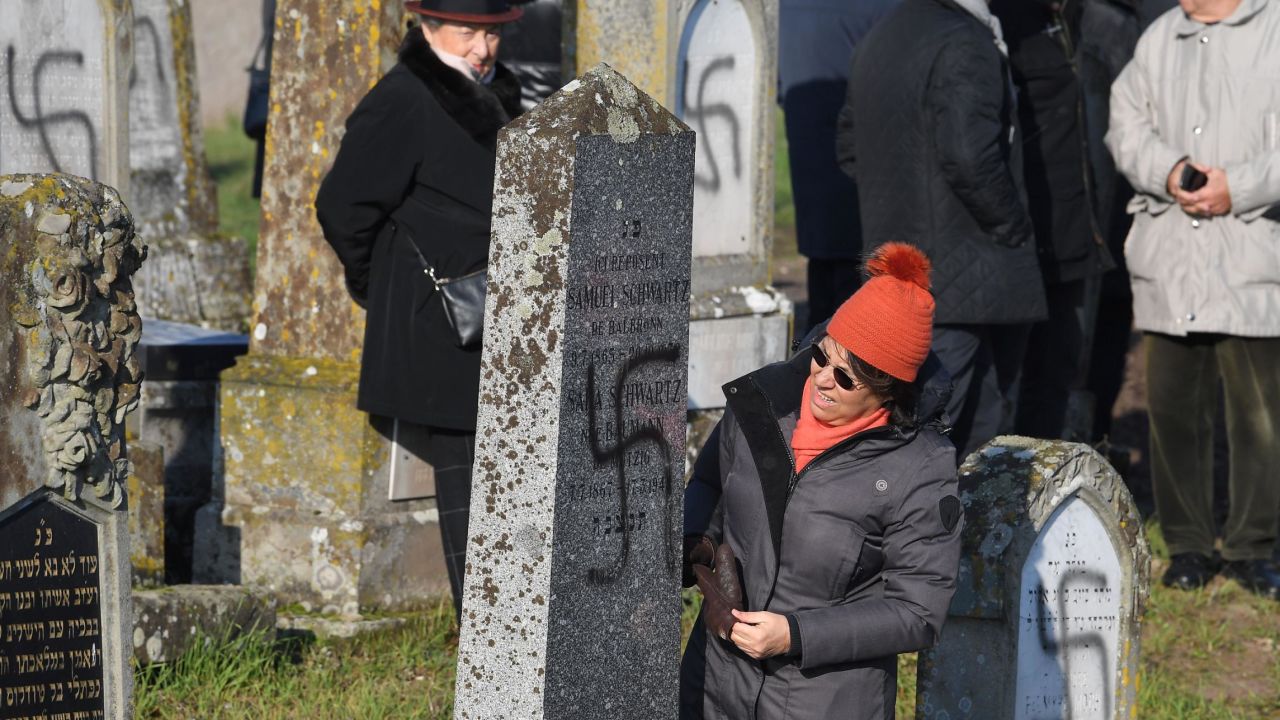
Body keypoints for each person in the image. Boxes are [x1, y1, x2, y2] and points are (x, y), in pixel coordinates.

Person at [680, 243, 963, 720]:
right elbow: (710, 479)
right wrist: (693, 539)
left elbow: (918, 611)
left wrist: (795, 634)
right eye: (821, 355)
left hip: (823, 700)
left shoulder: (921, 468)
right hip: (714, 685)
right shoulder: (765, 402)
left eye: (847, 378)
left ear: (887, 391)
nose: (823, 380)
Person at [314, 0, 524, 617]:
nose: (483, 49)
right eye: (468, 33)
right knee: (467, 479)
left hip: (502, 317)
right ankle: (484, 636)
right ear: (428, 28)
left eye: (492, 33)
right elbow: (343, 206)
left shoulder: (498, 91)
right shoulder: (403, 97)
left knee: (504, 476)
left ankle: (511, 624)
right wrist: (383, 288)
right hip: (443, 323)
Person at [1106, 0, 1280, 598]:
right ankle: (1187, 546)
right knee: (1175, 414)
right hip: (1172, 256)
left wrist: (1243, 187)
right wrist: (1169, 169)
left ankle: (1253, 547)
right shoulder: (1160, 37)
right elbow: (1125, 124)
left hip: (1251, 255)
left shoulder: (1275, 29)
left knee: (1260, 417)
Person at [837, 0, 1047, 462]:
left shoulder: (880, 34)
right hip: (968, 274)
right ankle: (953, 536)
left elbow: (850, 149)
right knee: (963, 443)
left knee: (912, 433)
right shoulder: (966, 40)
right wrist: (1013, 226)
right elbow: (971, 160)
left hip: (903, 268)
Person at [989, 0, 1114, 441]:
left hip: (1073, 231)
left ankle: (1039, 494)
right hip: (1019, 233)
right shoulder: (1003, 20)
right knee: (1000, 384)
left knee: (1056, 372)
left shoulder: (1083, 19)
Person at [778, 0, 897, 332]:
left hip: (809, 148)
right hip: (862, 158)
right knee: (855, 284)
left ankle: (813, 362)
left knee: (823, 268)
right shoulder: (885, 7)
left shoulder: (788, 7)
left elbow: (778, 85)